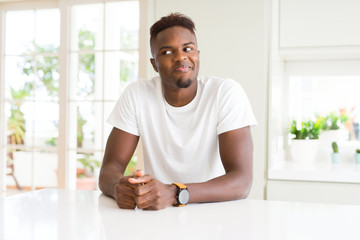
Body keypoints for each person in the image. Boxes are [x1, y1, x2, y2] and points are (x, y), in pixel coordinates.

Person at [99, 13, 257, 210]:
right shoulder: (137, 94)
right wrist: (120, 188)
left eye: (188, 48)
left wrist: (174, 193)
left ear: (198, 54)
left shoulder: (225, 93)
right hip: (159, 213)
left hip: (216, 213)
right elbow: (109, 169)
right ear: (154, 64)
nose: (181, 57)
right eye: (166, 52)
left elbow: (242, 181)